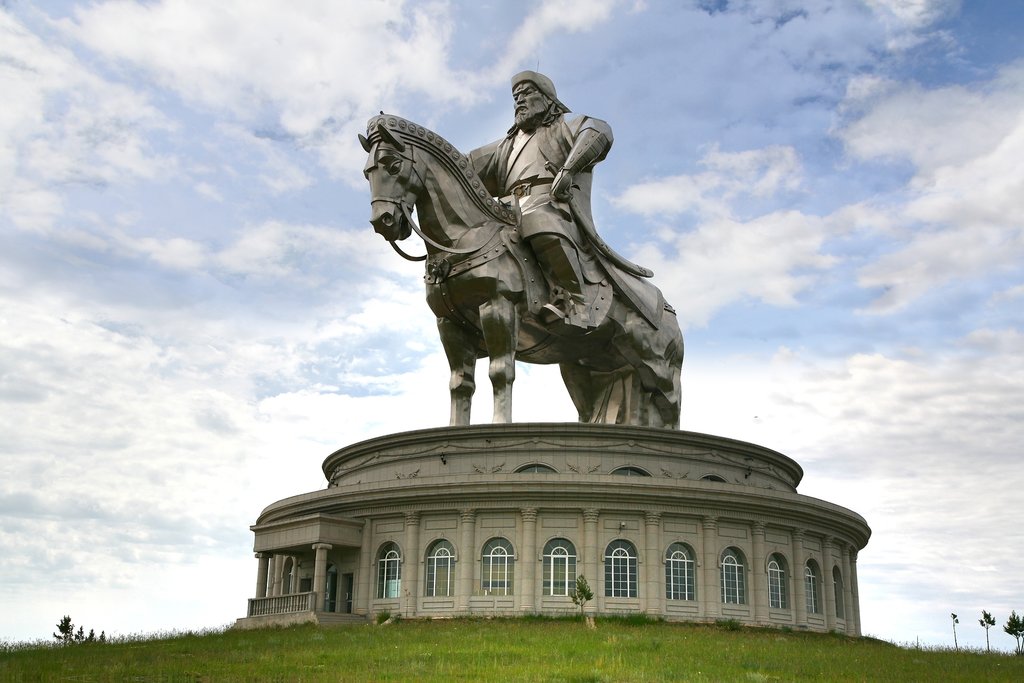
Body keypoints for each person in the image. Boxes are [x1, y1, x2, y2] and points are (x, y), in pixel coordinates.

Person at [469, 71, 613, 328]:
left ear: (547, 98)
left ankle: (576, 301)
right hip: (506, 209)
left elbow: (599, 130)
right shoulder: (506, 145)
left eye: (527, 93)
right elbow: (462, 166)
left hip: (551, 205)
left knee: (536, 217)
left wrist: (568, 170)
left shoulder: (564, 125)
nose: (519, 101)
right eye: (516, 97)